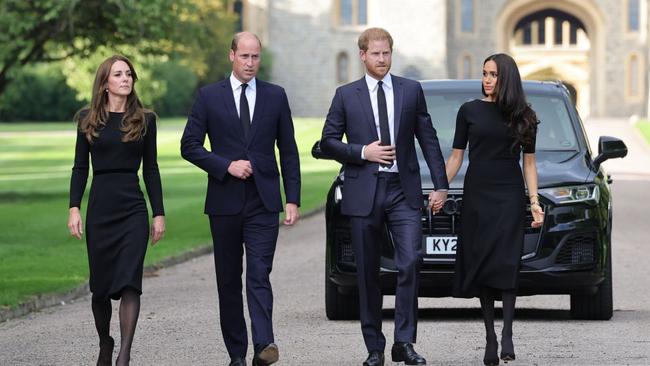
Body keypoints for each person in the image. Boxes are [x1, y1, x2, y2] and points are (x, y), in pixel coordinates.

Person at [320, 27, 449, 366]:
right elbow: (328, 141)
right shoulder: (346, 95)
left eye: (386, 53)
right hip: (364, 190)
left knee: (410, 261)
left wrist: (440, 184)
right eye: (375, 54)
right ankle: (374, 348)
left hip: (402, 191)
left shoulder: (411, 90)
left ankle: (403, 343)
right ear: (362, 55)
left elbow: (429, 138)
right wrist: (363, 151)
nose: (382, 59)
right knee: (367, 272)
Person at [180, 32, 300, 366]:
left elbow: (288, 151)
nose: (250, 63)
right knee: (229, 281)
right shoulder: (208, 97)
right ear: (232, 55)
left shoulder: (276, 97)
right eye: (244, 56)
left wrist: (293, 199)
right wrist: (225, 165)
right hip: (224, 202)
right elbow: (189, 145)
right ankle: (237, 355)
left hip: (264, 202)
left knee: (259, 274)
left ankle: (264, 344)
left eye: (255, 57)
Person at [445, 53, 544, 366]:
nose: (487, 79)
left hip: (509, 195)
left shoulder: (526, 116)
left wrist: (534, 202)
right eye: (484, 73)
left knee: (507, 261)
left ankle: (508, 333)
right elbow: (456, 157)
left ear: (507, 79)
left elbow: (529, 164)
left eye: (493, 75)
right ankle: (490, 335)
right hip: (478, 194)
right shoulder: (469, 111)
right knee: (484, 263)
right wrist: (440, 186)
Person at [67, 55, 165, 366]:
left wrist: (158, 213)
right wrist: (73, 208)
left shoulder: (145, 120)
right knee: (100, 289)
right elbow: (80, 167)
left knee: (129, 282)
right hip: (100, 207)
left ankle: (124, 355)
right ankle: (105, 342)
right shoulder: (87, 119)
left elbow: (151, 169)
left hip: (133, 208)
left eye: (129, 74)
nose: (125, 79)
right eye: (118, 74)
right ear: (105, 82)